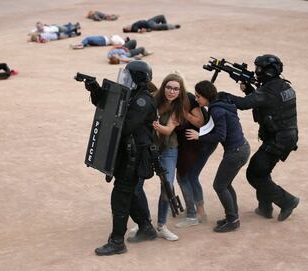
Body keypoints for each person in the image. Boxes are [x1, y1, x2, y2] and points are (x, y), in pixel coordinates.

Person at [84, 61, 158, 256]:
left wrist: (112, 117)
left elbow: (125, 127)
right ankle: (146, 228)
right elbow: (107, 106)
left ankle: (117, 242)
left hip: (134, 157)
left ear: (139, 79)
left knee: (120, 197)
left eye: (129, 76)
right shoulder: (131, 95)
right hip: (125, 154)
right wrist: (94, 88)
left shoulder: (142, 100)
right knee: (129, 192)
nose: (124, 79)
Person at [219, 54, 299, 221]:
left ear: (268, 72)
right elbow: (264, 103)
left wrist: (223, 95)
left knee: (255, 174)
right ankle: (265, 207)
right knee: (262, 171)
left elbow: (244, 104)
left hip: (279, 140)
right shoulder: (282, 85)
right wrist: (250, 90)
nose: (256, 72)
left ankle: (288, 201)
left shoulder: (269, 89)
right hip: (283, 137)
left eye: (259, 69)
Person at [186, 80, 250, 233]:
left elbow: (221, 135)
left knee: (219, 186)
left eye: (198, 96)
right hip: (242, 148)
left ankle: (232, 220)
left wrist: (198, 137)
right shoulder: (221, 103)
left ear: (206, 96)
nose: (196, 99)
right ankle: (232, 216)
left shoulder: (216, 110)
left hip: (235, 152)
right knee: (226, 184)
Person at [133, 72, 190, 241]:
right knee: (136, 184)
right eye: (169, 87)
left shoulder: (180, 106)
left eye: (176, 89)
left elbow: (168, 130)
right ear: (164, 86)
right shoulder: (152, 99)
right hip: (147, 147)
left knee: (168, 187)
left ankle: (161, 226)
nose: (172, 91)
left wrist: (154, 124)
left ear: (180, 92)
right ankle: (144, 222)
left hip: (168, 149)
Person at [174, 78, 217, 227]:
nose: (172, 91)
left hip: (201, 144)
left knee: (188, 176)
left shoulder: (190, 100)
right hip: (193, 144)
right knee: (187, 176)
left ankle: (199, 213)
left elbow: (199, 122)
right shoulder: (178, 99)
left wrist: (184, 113)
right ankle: (196, 211)